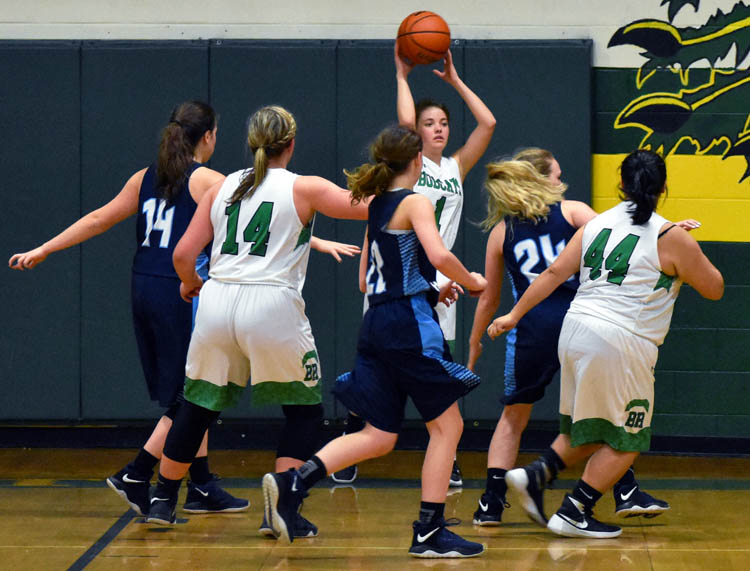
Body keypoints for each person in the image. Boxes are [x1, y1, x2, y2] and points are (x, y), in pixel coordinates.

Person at [8, 101, 358, 521]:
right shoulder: (219, 179)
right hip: (212, 293)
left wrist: (45, 248)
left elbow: (112, 222)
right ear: (208, 136)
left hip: (165, 289)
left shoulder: (162, 177)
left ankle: (181, 488)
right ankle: (151, 474)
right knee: (232, 403)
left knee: (197, 398)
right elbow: (274, 217)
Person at [8, 101, 250, 515]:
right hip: (181, 290)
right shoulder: (210, 180)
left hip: (144, 286)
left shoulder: (145, 177)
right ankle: (136, 473)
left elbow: (98, 219)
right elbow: (262, 217)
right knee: (195, 394)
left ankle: (201, 483)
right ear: (208, 136)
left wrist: (45, 248)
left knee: (191, 386)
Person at [262, 124, 487, 559]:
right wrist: (472, 281)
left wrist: (429, 288)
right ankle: (429, 530)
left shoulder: (377, 204)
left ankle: (294, 482)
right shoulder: (416, 201)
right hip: (408, 326)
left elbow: (367, 279)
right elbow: (440, 255)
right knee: (449, 427)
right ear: (418, 160)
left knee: (380, 434)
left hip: (377, 324)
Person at [143, 105, 371, 530]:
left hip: (217, 301)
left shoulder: (221, 186)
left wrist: (190, 283)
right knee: (303, 412)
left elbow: (182, 254)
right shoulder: (305, 187)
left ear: (250, 144)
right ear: (291, 144)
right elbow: (369, 208)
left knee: (196, 407)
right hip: (271, 304)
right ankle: (281, 508)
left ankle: (161, 500)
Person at [489, 149, 723, 538]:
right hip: (619, 340)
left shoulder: (596, 224)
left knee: (589, 428)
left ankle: (536, 475)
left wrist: (514, 315)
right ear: (664, 187)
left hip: (575, 331)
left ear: (621, 184)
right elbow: (714, 288)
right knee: (629, 436)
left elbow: (553, 272)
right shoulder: (670, 237)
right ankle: (574, 511)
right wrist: (686, 252)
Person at [331, 43, 496, 486]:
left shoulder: (455, 168)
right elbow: (403, 126)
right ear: (415, 137)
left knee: (435, 368)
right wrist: (402, 77)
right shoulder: (410, 171)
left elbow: (488, 123)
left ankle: (445, 449)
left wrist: (455, 81)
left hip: (440, 277)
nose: (438, 128)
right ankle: (354, 434)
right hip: (403, 273)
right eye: (429, 123)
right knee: (386, 367)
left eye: (443, 123)